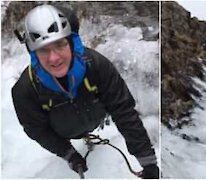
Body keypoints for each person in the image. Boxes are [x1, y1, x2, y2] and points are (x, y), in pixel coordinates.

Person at [11, 5, 159, 178]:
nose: (54, 58)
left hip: (95, 117)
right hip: (65, 132)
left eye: (60, 44)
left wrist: (148, 162)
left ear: (72, 43)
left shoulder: (96, 66)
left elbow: (123, 111)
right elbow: (37, 130)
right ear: (33, 53)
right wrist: (69, 154)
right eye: (43, 49)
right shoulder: (25, 92)